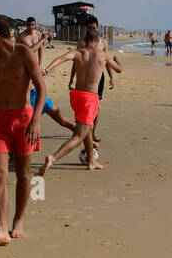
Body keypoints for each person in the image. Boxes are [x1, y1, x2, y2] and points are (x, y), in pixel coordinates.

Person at [0, 14, 46, 244]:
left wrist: (36, 120)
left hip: (23, 119)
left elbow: (41, 88)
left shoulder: (24, 53)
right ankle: (2, 229)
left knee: (23, 174)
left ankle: (18, 221)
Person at [40, 27, 121, 174]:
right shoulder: (103, 55)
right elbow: (118, 69)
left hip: (76, 96)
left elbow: (60, 59)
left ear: (85, 40)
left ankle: (91, 161)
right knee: (79, 135)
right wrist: (117, 60)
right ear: (97, 41)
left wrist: (46, 70)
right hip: (89, 99)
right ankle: (53, 158)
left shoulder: (78, 52)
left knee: (88, 129)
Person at [69, 16, 114, 144]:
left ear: (97, 28)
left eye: (93, 28)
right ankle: (82, 130)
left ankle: (92, 132)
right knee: (82, 105)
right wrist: (71, 79)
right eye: (89, 28)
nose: (91, 30)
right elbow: (75, 62)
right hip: (83, 78)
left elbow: (108, 61)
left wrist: (111, 78)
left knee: (96, 106)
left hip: (98, 78)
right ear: (85, 28)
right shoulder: (82, 43)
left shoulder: (103, 43)